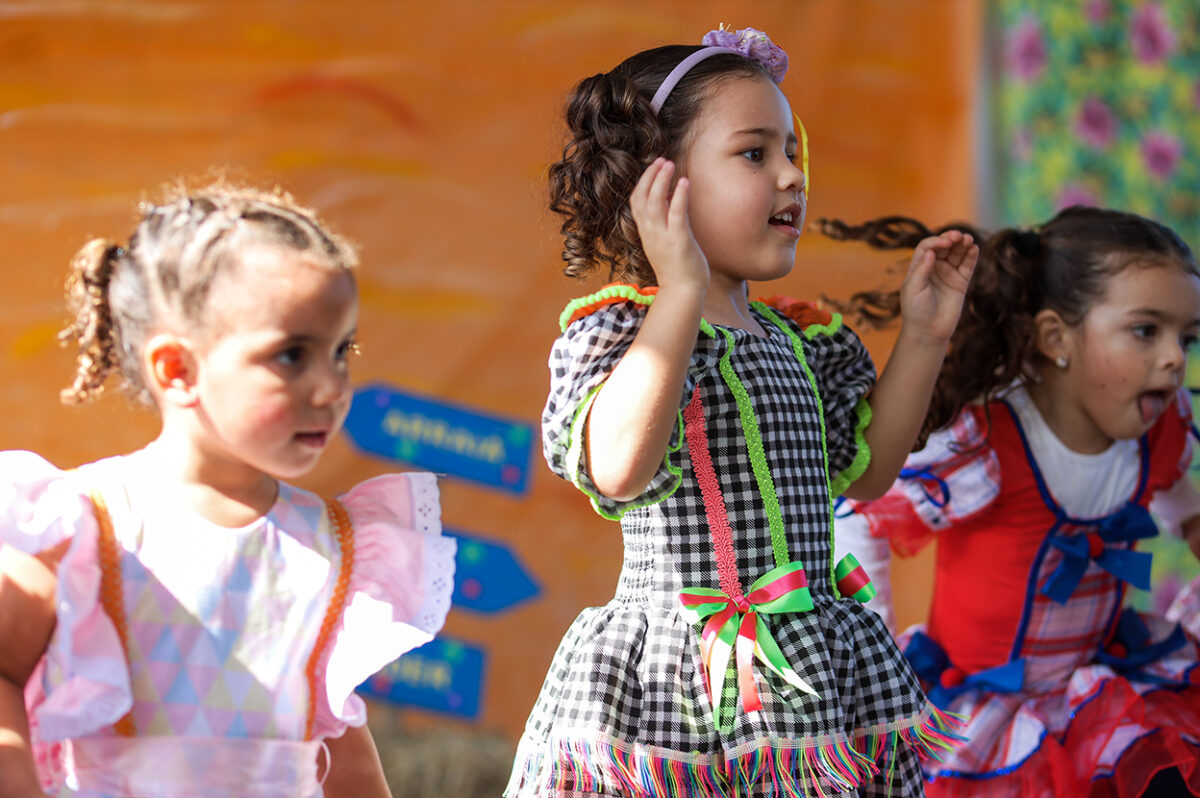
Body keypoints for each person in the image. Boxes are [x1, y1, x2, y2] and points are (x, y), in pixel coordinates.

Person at [506, 25, 978, 798]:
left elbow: (866, 475)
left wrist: (924, 336)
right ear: (660, 184)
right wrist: (681, 292)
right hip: (680, 685)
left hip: (809, 670)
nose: (792, 175)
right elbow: (619, 470)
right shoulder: (621, 331)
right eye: (755, 154)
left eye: (792, 152)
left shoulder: (801, 340)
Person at [0, 185, 456, 797]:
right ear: (178, 370)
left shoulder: (334, 545)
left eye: (340, 351)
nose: (331, 387)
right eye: (292, 356)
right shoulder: (87, 525)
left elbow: (335, 741)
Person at [830, 207, 1200, 797]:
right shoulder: (985, 443)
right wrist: (874, 662)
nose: (1176, 358)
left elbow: (1185, 507)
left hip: (1100, 694)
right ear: (1056, 339)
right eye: (1146, 331)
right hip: (986, 713)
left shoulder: (1159, 431)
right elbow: (858, 518)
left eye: (1187, 337)